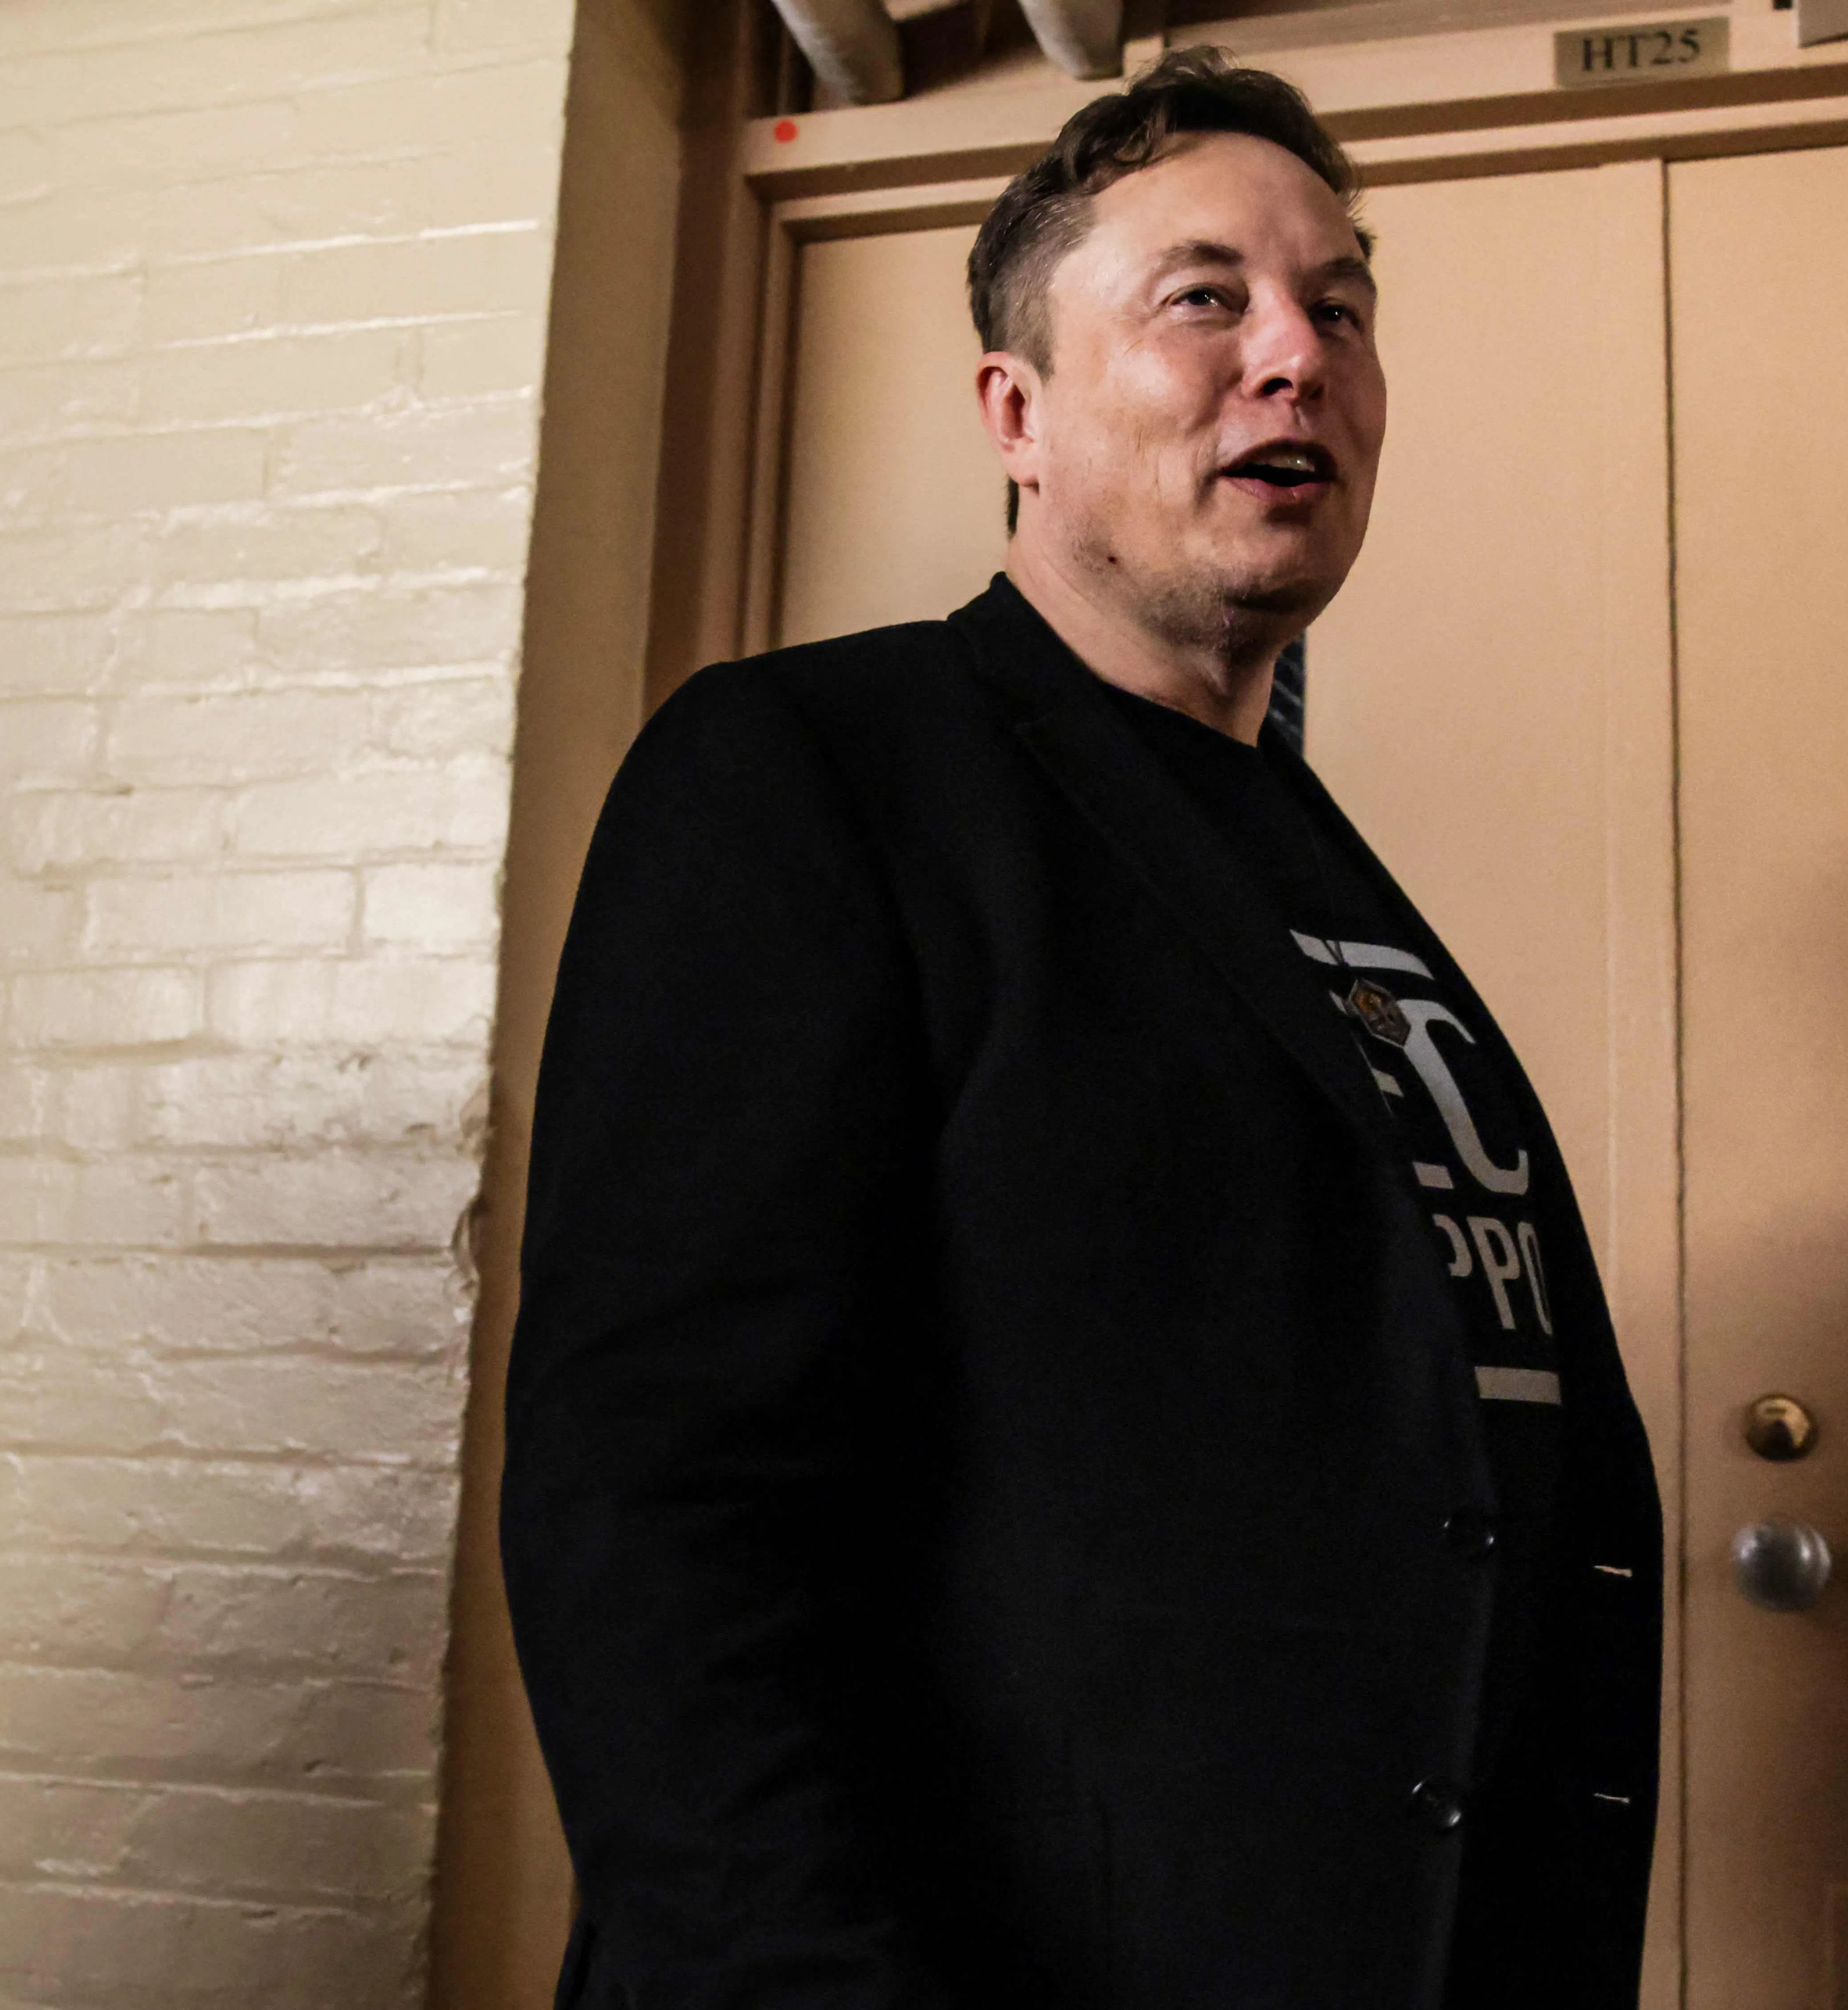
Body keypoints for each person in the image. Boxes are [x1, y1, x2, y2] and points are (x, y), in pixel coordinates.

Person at [499, 48, 1663, 2010]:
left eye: (1340, 303)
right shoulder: (807, 776)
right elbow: (654, 1510)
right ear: (1016, 413)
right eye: (1206, 297)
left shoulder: (1313, 860)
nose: (1296, 355)